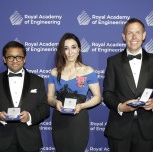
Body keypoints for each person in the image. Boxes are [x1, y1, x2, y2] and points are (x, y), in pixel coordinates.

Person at [103, 18, 153, 152]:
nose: (134, 37)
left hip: (147, 130)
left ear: (144, 35)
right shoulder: (113, 61)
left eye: (138, 32)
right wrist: (121, 107)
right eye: (130, 33)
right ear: (124, 37)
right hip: (119, 128)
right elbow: (107, 93)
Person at [48, 33, 101, 152]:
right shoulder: (54, 72)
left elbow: (98, 97)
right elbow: (49, 97)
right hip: (59, 119)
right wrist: (55, 102)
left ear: (79, 50)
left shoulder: (88, 70)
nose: (70, 52)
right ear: (61, 51)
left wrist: (82, 105)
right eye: (65, 48)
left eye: (73, 47)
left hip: (78, 120)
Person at [0, 41, 50, 152]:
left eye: (19, 57)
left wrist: (29, 116)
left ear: (24, 59)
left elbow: (45, 109)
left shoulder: (37, 81)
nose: (15, 61)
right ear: (4, 59)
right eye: (10, 57)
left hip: (30, 141)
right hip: (2, 141)